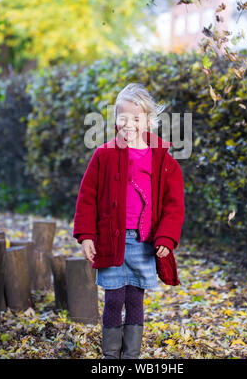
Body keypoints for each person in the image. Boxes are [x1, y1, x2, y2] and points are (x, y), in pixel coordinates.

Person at [73, 82, 185, 359]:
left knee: (135, 298)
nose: (130, 124)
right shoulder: (104, 155)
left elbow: (174, 206)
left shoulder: (164, 161)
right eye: (123, 117)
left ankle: (131, 355)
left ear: (148, 120)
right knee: (113, 298)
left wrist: (166, 238)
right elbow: (87, 198)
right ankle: (111, 355)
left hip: (144, 243)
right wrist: (87, 236)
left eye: (137, 118)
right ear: (115, 119)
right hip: (112, 241)